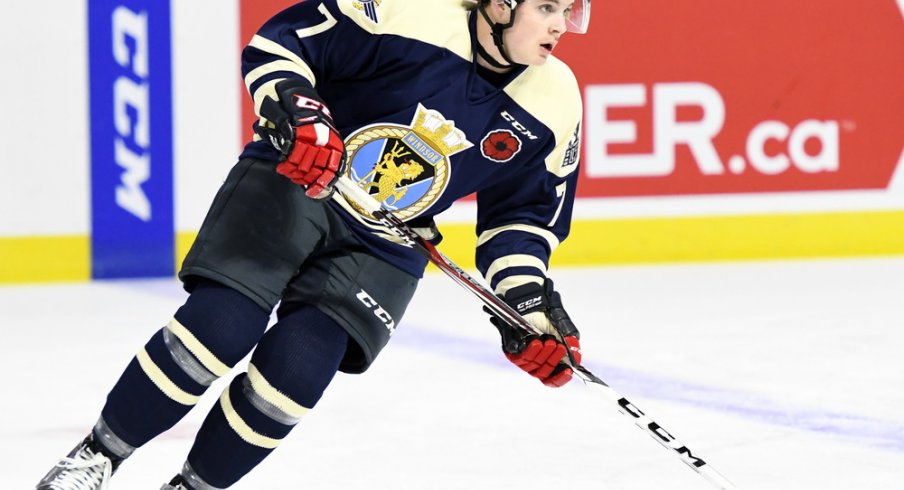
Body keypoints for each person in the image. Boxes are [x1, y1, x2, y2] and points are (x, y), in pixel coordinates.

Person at [36, 0, 590, 488]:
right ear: (498, 5)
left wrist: (528, 304)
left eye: (568, 11)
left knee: (297, 371)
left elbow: (521, 218)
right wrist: (302, 112)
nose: (561, 25)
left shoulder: (556, 99)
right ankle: (96, 459)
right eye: (547, 8)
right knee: (220, 327)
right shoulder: (407, 12)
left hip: (388, 240)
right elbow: (281, 44)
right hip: (302, 176)